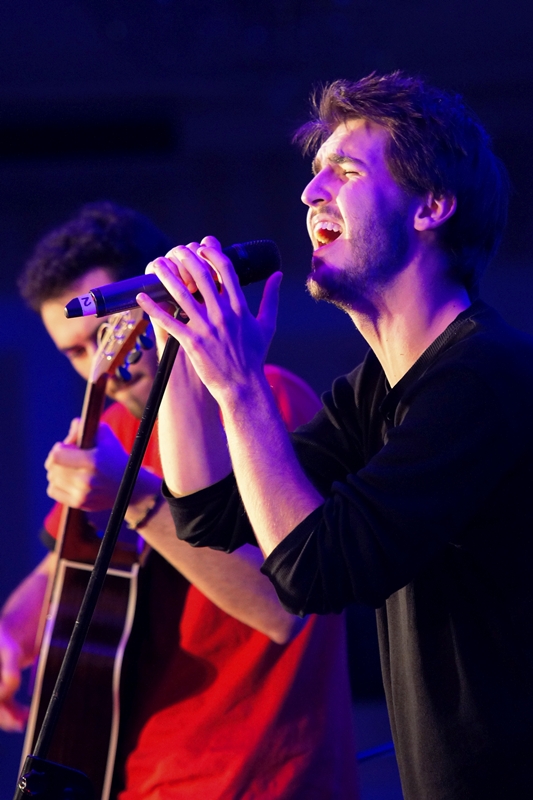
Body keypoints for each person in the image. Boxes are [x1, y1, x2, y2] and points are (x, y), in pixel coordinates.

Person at [137, 72, 533, 799]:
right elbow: (210, 516)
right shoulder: (374, 390)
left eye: (345, 172)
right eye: (315, 173)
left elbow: (313, 572)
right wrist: (182, 352)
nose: (309, 194)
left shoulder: (481, 379)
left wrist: (242, 386)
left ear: (431, 206)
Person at [0, 202, 359, 799]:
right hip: (139, 778)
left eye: (106, 333)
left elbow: (282, 609)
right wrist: (10, 637)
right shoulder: (113, 432)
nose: (104, 367)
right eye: (75, 352)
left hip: (265, 779)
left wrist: (135, 498)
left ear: (160, 299)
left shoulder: (265, 403)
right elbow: (59, 574)